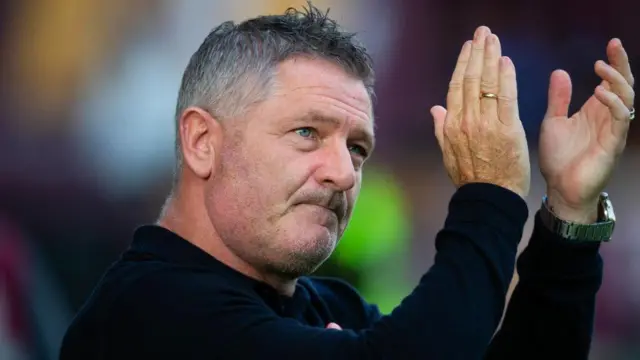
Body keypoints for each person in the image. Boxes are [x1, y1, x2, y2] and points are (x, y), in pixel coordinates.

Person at [59, 4, 635, 359]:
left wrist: (568, 215)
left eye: (358, 148)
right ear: (202, 142)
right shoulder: (147, 312)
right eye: (307, 132)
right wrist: (490, 196)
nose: (343, 172)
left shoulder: (325, 306)